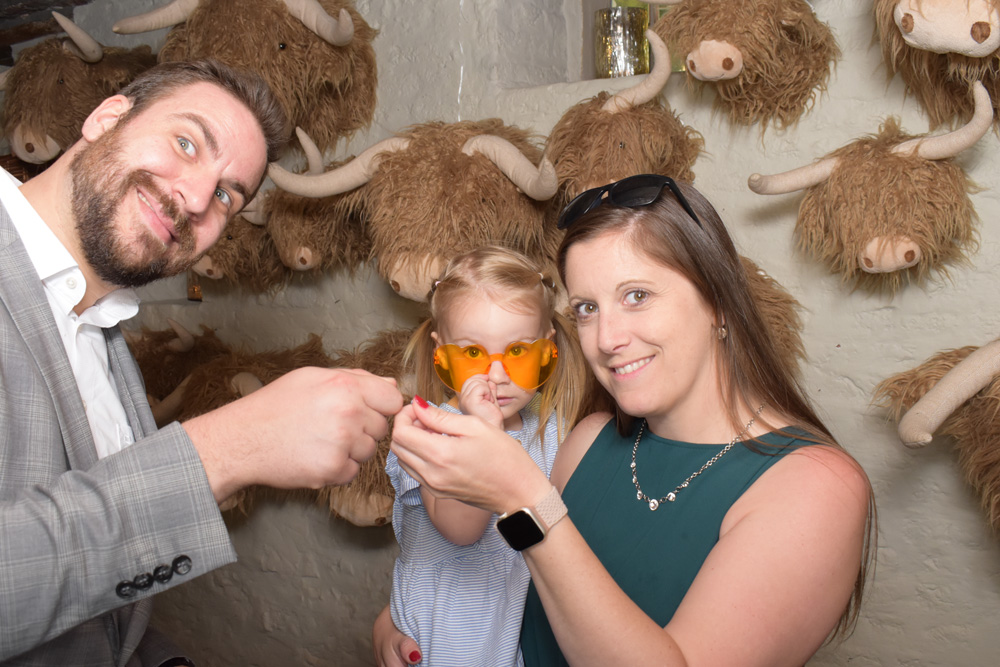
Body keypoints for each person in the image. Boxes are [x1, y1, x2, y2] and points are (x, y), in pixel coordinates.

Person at [0, 59, 403, 666]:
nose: (192, 198)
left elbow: (92, 611)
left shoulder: (108, 339)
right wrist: (225, 449)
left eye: (225, 195)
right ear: (105, 118)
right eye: (185, 142)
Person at [379, 174, 875, 666]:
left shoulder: (817, 486)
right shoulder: (587, 439)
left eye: (637, 295)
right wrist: (402, 620)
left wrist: (522, 500)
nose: (606, 338)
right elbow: (496, 588)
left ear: (718, 302)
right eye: (588, 308)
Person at [384, 246, 588, 666]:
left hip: (505, 647)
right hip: (437, 642)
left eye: (518, 352)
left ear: (548, 349)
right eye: (473, 354)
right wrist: (484, 432)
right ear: (442, 354)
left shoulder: (555, 433)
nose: (496, 377)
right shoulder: (427, 429)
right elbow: (460, 529)